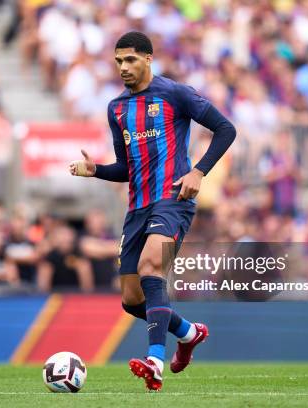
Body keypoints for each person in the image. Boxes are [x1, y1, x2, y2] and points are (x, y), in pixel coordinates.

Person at [69, 32, 236, 390]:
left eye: (130, 60)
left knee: (151, 267)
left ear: (148, 58)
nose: (123, 68)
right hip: (137, 208)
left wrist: (198, 171)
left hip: (173, 199)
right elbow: (126, 169)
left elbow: (225, 129)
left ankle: (155, 361)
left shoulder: (175, 94)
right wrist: (96, 170)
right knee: (132, 299)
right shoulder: (116, 108)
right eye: (118, 62)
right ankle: (189, 334)